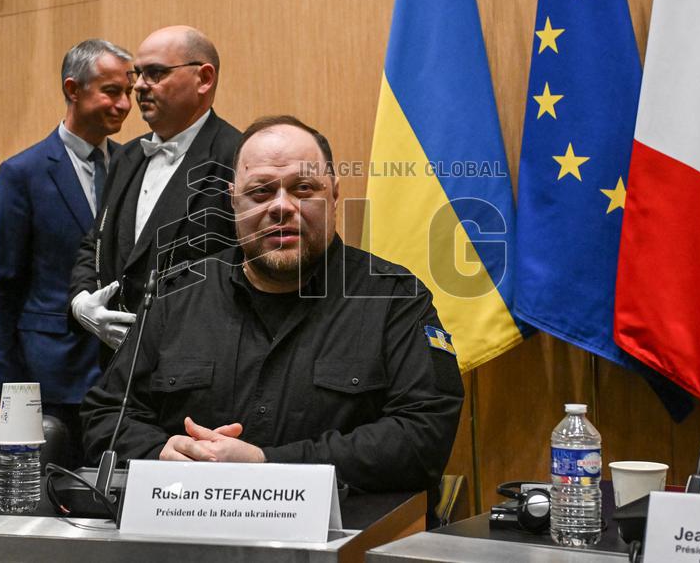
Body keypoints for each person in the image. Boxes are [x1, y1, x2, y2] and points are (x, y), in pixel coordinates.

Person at [81, 116, 464, 499]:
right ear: (233, 202)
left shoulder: (394, 298)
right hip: (192, 533)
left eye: (303, 189)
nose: (282, 206)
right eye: (261, 192)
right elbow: (105, 417)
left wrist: (269, 465)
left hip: (346, 541)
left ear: (333, 196)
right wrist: (160, 453)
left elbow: (424, 436)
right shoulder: (175, 295)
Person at [0, 39, 134, 460]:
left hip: (123, 371)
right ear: (73, 89)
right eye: (112, 91)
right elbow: (0, 283)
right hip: (47, 373)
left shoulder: (132, 166)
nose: (124, 104)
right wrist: (4, 385)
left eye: (129, 92)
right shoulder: (22, 172)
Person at [69, 26, 241, 352]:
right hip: (116, 367)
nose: (139, 87)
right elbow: (96, 242)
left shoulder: (239, 156)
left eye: (155, 73)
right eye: (138, 74)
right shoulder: (126, 157)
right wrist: (82, 303)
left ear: (204, 78)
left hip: (198, 363)